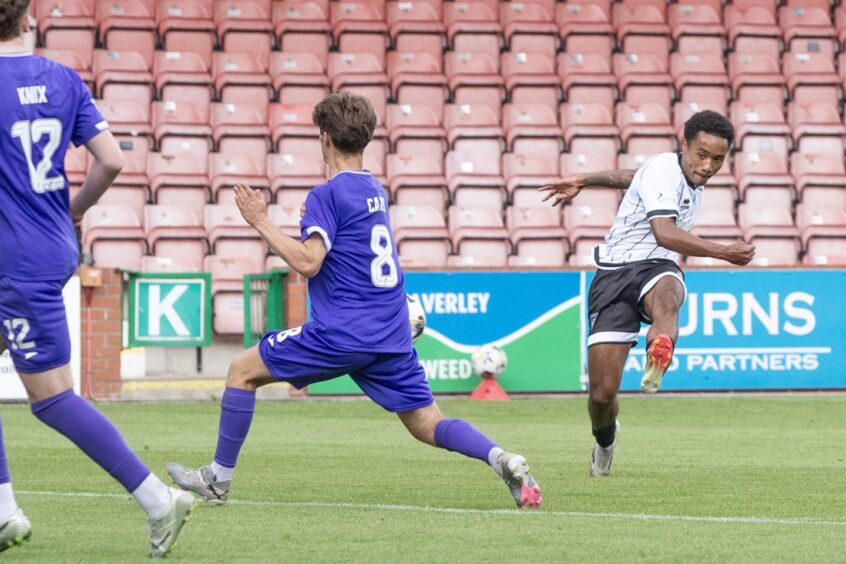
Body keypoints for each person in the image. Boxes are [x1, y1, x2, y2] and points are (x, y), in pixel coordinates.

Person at [166, 92, 542, 510]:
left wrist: (259, 220)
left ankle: (217, 478)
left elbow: (309, 262)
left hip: (343, 332)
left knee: (241, 371)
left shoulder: (326, 195)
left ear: (324, 138)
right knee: (427, 423)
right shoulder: (374, 190)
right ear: (366, 139)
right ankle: (502, 459)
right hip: (392, 335)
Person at [0, 1, 194, 556]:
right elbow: (110, 160)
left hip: (15, 260)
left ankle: (159, 499)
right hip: (51, 244)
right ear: (28, 19)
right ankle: (2, 511)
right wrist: (73, 210)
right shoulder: (62, 78)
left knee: (52, 397)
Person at [539, 111, 755, 477]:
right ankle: (605, 441)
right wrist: (723, 252)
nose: (708, 165)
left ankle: (660, 348)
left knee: (668, 296)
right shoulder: (663, 168)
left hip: (656, 268)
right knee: (602, 397)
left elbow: (629, 179)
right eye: (701, 154)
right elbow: (664, 233)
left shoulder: (679, 176)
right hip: (614, 276)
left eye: (718, 159)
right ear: (684, 144)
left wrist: (584, 179)